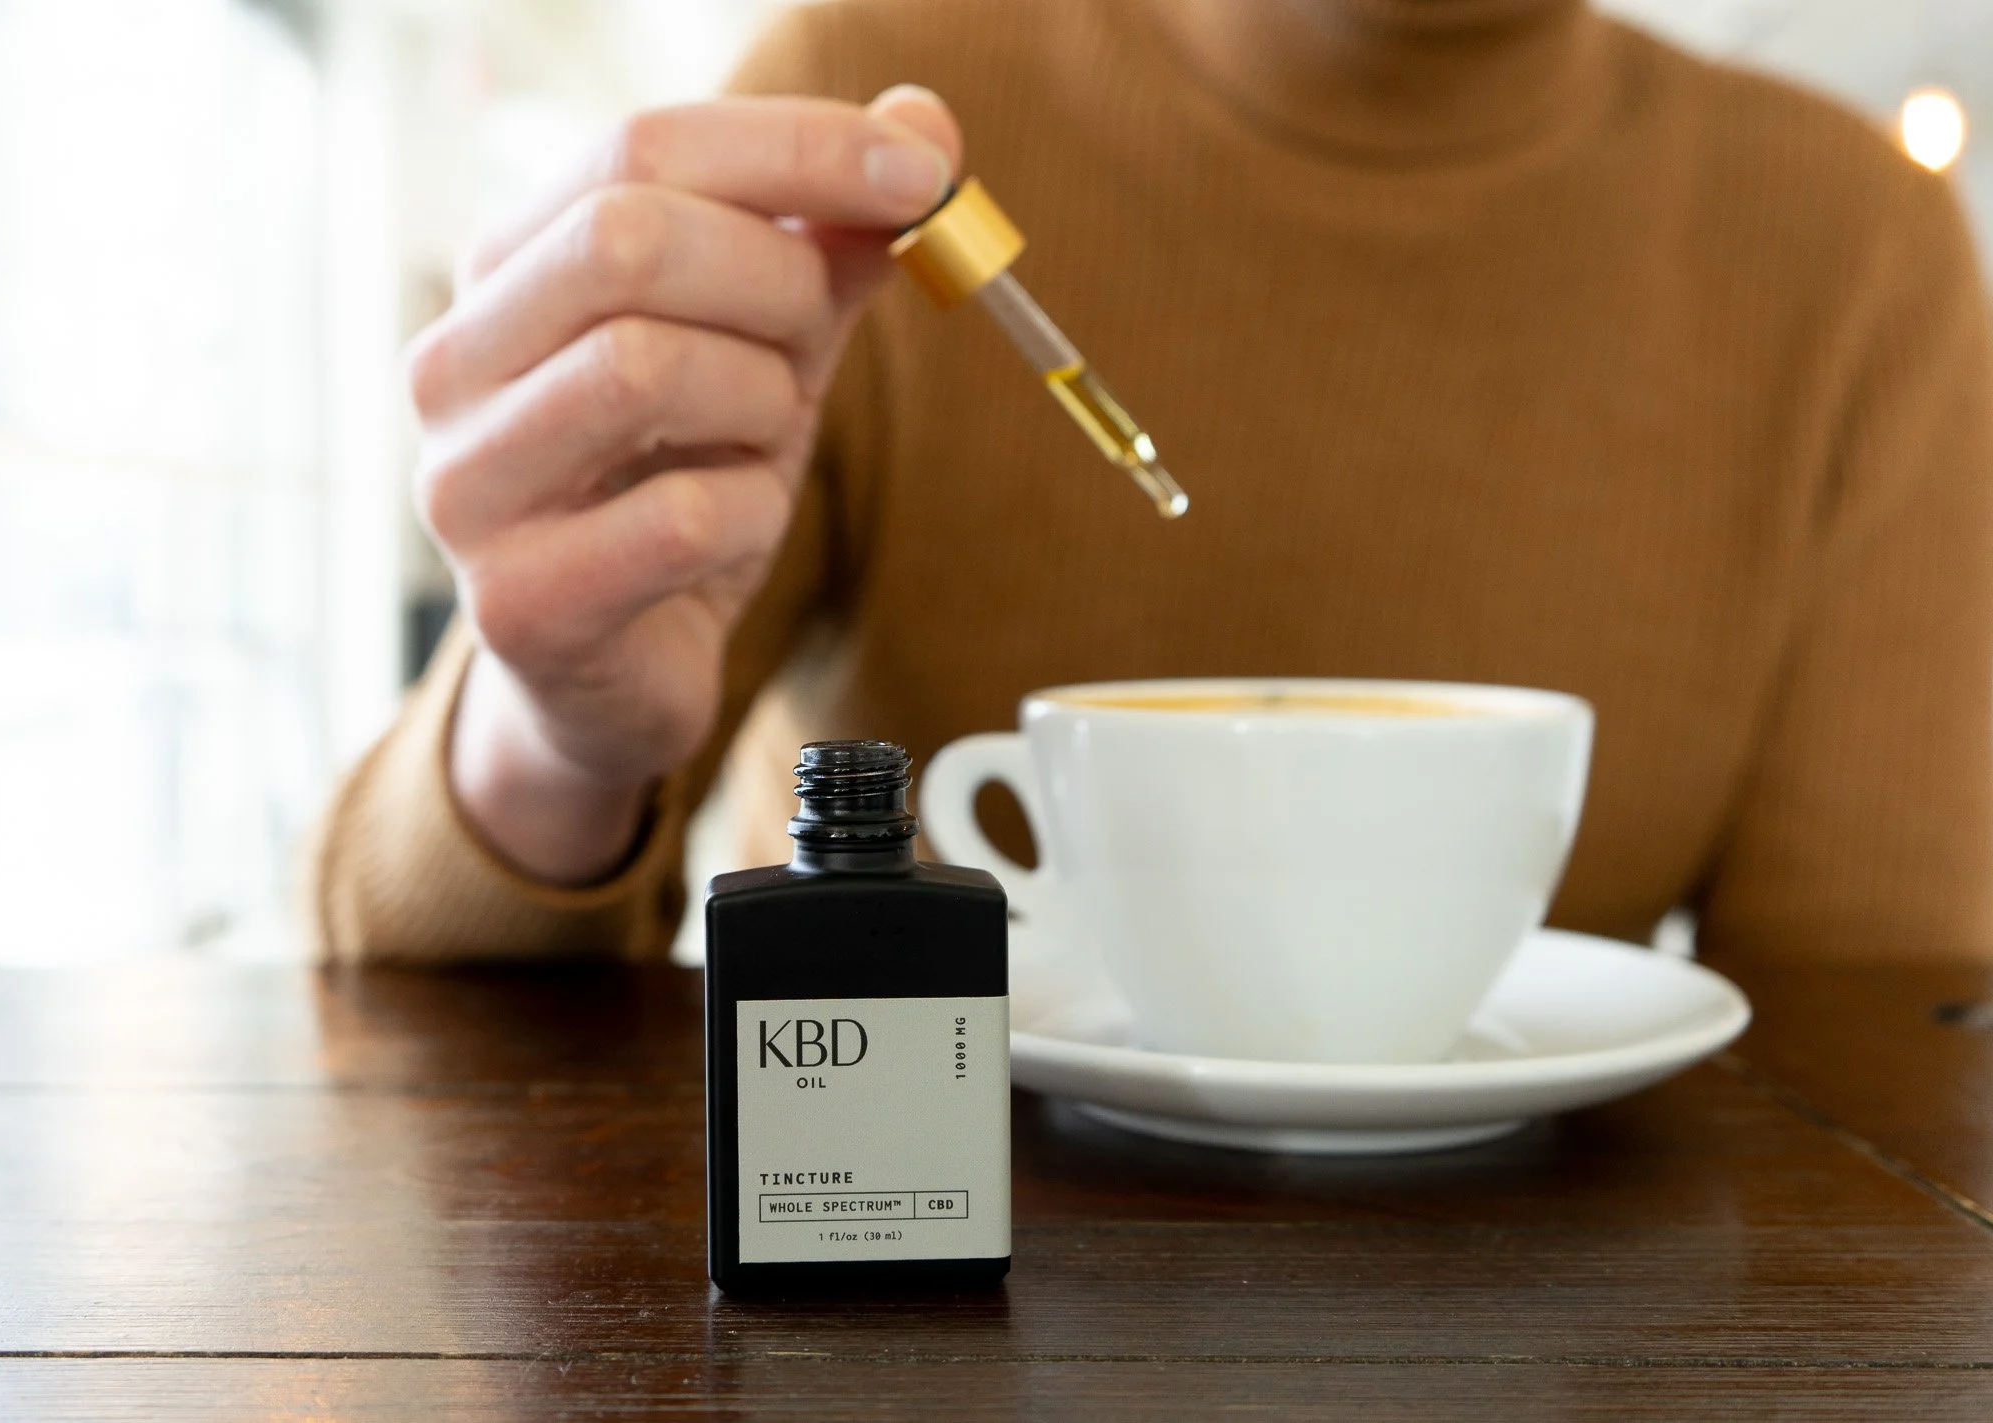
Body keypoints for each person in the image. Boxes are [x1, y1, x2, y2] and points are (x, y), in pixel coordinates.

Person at [306, 0, 1993, 966]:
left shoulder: (1854, 253)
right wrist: (551, 737)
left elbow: (1879, 1054)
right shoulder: (878, 121)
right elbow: (405, 985)